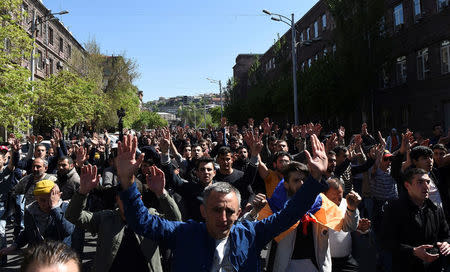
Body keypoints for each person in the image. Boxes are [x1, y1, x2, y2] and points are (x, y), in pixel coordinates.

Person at [118, 134, 328, 271]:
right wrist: (127, 182)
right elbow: (142, 222)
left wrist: (315, 179)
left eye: (230, 211)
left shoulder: (251, 234)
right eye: (216, 210)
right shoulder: (184, 234)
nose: (223, 218)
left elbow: (289, 214)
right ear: (203, 211)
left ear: (239, 212)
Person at [65, 164, 181, 272]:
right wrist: (83, 192)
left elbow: (176, 223)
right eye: (123, 199)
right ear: (117, 199)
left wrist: (161, 193)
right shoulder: (106, 218)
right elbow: (73, 216)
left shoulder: (151, 218)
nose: (126, 204)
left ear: (139, 198)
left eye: (131, 198)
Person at [381, 168, 450, 272]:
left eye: (428, 182)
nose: (426, 186)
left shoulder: (436, 208)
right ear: (407, 186)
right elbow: (386, 242)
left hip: (434, 266)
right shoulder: (394, 209)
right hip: (406, 266)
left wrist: (446, 244)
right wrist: (413, 251)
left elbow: (445, 235)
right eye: (420, 182)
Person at [0, 180, 74, 256]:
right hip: (38, 256)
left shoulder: (65, 208)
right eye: (42, 200)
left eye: (49, 200)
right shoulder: (31, 210)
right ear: (36, 198)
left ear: (58, 196)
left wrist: (55, 208)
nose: (46, 204)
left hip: (60, 256)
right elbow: (28, 232)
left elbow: (68, 230)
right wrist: (15, 246)